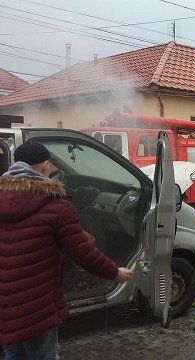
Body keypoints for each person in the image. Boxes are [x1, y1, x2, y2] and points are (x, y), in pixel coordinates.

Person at [0, 142, 133, 360]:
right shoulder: (56, 206)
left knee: (14, 353)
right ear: (43, 165)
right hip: (37, 305)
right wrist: (115, 273)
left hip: (6, 303)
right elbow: (83, 253)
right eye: (50, 164)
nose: (52, 168)